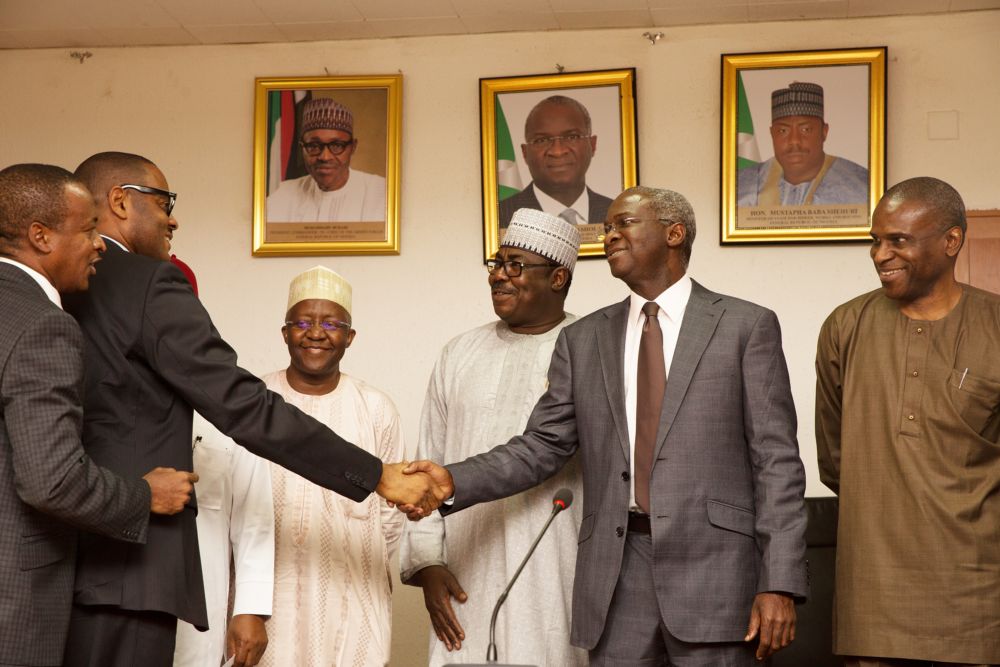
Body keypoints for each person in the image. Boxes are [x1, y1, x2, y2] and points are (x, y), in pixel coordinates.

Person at [62, 151, 444, 667]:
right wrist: (380, 477)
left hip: (63, 557)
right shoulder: (149, 282)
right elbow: (246, 407)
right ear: (120, 201)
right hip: (127, 567)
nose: (172, 217)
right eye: (164, 202)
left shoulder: (55, 284)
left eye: (332, 326)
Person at [407, 186, 809, 665]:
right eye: (607, 228)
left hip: (717, 575)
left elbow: (776, 463)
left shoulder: (746, 326)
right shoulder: (584, 338)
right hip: (616, 576)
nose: (609, 235)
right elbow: (542, 446)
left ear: (674, 233)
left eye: (624, 224)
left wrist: (779, 582)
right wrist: (454, 480)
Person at [0, 163, 196, 667]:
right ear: (41, 237)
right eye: (88, 230)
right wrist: (145, 494)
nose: (100, 245)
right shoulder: (45, 326)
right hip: (14, 600)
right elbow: (51, 481)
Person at [815, 176, 1000, 667]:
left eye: (898, 240)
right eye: (875, 241)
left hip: (978, 602)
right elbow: (835, 460)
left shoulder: (996, 326)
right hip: (872, 602)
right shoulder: (845, 327)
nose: (880, 254)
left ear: (951, 240)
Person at [400, 208, 587, 667]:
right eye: (496, 263)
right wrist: (427, 564)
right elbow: (428, 459)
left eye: (516, 265)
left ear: (558, 277)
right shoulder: (459, 352)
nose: (499, 276)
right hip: (464, 568)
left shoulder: (590, 348)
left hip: (555, 568)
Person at [259, 265, 405, 667]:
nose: (316, 332)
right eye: (302, 321)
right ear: (285, 332)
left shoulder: (375, 408)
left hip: (354, 591)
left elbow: (391, 518)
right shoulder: (255, 403)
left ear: (350, 337)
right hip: (269, 598)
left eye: (332, 323)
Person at [172, 258, 274, 667]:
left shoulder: (227, 398)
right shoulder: (101, 388)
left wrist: (249, 607)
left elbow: (254, 516)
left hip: (201, 603)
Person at [737, 82, 868, 207]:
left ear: (824, 132)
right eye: (783, 131)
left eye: (806, 130)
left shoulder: (862, 187)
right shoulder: (741, 187)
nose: (794, 140)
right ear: (772, 133)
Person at [498, 95, 613, 228]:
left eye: (571, 137)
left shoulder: (618, 215)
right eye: (542, 140)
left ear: (592, 145)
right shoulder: (498, 218)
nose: (557, 151)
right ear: (525, 153)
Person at [266, 98, 386, 222]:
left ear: (353, 147)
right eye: (314, 146)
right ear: (302, 147)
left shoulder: (381, 194)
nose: (325, 157)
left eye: (336, 145)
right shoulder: (283, 195)